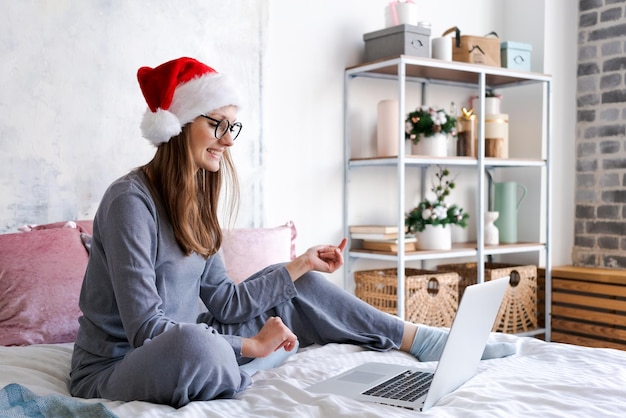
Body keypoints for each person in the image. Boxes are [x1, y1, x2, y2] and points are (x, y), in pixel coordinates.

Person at [69, 57, 515, 408]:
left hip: (191, 335)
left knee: (301, 286)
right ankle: (254, 360)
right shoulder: (130, 202)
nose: (227, 140)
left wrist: (301, 263)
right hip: (118, 362)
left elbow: (225, 301)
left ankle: (422, 339)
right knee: (193, 346)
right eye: (216, 125)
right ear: (180, 125)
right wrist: (249, 343)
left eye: (231, 128)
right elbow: (147, 330)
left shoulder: (196, 204)